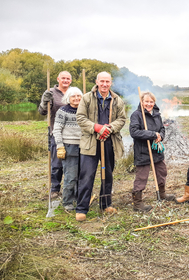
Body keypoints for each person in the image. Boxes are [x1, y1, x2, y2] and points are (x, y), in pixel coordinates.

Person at [75, 72, 126, 222]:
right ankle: (82, 208)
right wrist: (97, 127)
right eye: (102, 81)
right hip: (90, 143)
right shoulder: (86, 98)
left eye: (107, 81)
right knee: (87, 175)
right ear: (97, 82)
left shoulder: (117, 100)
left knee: (107, 175)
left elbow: (122, 119)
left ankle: (105, 204)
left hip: (109, 142)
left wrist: (109, 128)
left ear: (111, 83)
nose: (104, 84)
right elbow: (80, 118)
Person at [129, 91, 175, 212]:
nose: (149, 104)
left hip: (156, 150)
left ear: (154, 102)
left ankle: (162, 194)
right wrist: (152, 134)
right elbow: (134, 132)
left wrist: (160, 135)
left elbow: (162, 129)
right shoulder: (136, 115)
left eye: (151, 102)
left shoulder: (156, 114)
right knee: (142, 176)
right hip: (143, 151)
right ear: (142, 102)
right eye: (146, 102)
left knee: (162, 171)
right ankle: (137, 203)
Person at [38, 71, 72, 199]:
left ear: (70, 80)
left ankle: (70, 188)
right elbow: (42, 111)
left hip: (72, 133)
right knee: (57, 164)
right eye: (63, 78)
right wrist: (44, 102)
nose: (65, 80)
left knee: (71, 162)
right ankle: (55, 189)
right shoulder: (50, 93)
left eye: (68, 78)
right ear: (58, 79)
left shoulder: (73, 92)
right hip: (55, 132)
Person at [52, 87, 83, 211]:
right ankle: (67, 202)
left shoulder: (84, 111)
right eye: (73, 96)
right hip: (69, 147)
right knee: (71, 176)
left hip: (84, 147)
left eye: (79, 96)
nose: (76, 98)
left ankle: (78, 198)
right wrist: (60, 146)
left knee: (82, 176)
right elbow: (57, 129)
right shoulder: (62, 111)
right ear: (68, 98)